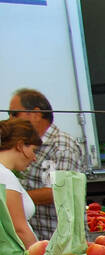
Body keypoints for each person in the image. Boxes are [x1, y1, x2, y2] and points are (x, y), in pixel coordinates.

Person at [8, 88, 89, 241]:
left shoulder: (61, 145)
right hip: (38, 240)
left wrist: (14, 199)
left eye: (14, 114)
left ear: (36, 114)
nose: (11, 120)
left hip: (60, 242)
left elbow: (58, 191)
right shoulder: (29, 145)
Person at [0, 119, 42, 248]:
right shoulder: (5, 176)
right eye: (33, 150)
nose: (34, 158)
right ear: (20, 145)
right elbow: (20, 229)